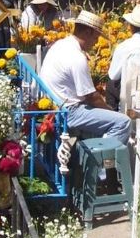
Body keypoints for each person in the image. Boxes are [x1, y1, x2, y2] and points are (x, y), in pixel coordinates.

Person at [39, 11, 131, 145]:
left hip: (54, 104)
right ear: (88, 32)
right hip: (68, 111)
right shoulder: (76, 57)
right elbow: (91, 96)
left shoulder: (60, 45)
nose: (95, 43)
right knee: (123, 122)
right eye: (96, 37)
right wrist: (109, 110)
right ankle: (101, 161)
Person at [106, 4, 140, 111]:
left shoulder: (125, 46)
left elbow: (113, 75)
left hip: (130, 90)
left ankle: (113, 116)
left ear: (131, 26)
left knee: (110, 84)